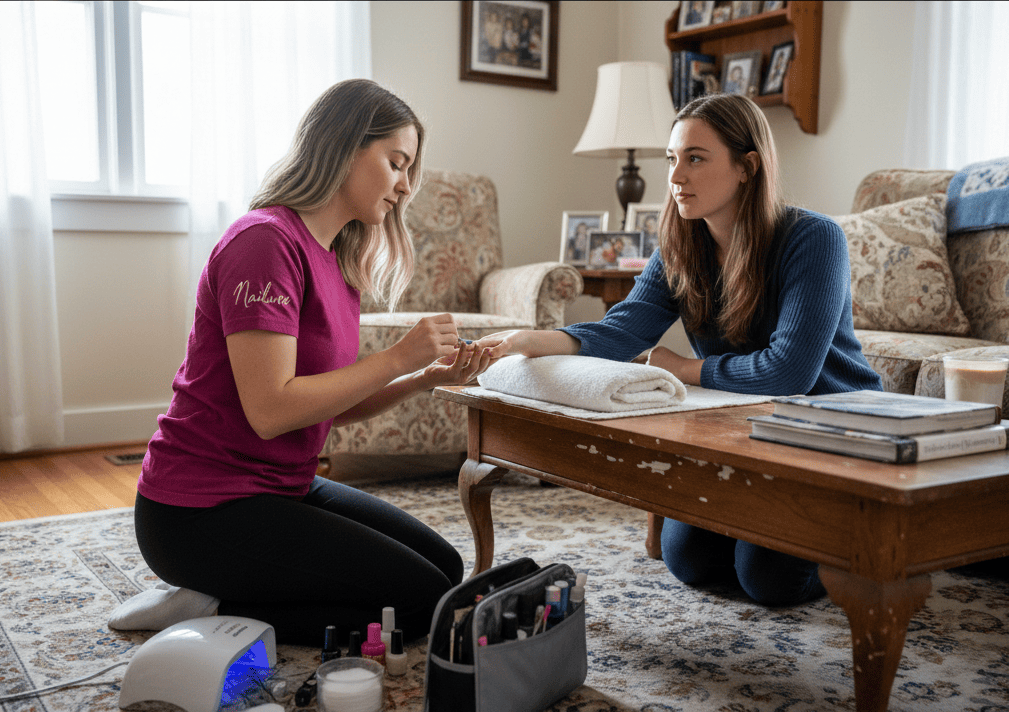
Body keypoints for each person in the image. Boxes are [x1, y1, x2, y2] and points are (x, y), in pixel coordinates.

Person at [110, 79, 493, 646]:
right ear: (344, 147)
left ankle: (237, 592)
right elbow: (271, 410)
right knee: (420, 606)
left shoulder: (338, 259)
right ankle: (213, 606)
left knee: (447, 571)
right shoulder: (264, 243)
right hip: (197, 512)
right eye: (397, 162)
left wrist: (421, 377)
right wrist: (395, 356)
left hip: (280, 487)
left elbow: (327, 403)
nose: (408, 186)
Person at [476, 93, 884, 607]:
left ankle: (859, 537)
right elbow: (627, 327)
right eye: (672, 159)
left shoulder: (814, 238)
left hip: (829, 432)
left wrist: (681, 368)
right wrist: (532, 341)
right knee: (688, 561)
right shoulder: (680, 244)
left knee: (767, 580)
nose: (676, 176)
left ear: (746, 167)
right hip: (745, 433)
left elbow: (790, 372)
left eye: (695, 158)